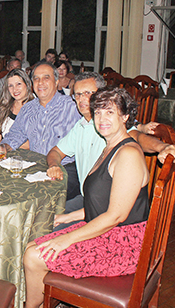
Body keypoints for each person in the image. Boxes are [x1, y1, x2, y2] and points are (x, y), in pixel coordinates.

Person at [23, 86, 150, 308]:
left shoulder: (128, 154)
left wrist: (67, 238)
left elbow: (115, 216)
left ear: (125, 116)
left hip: (122, 244)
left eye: (110, 112)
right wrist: (70, 216)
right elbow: (105, 201)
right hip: (108, 230)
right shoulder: (109, 147)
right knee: (32, 246)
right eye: (98, 112)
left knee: (34, 257)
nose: (102, 118)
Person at [46, 72, 175, 230]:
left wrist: (162, 147)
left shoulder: (111, 127)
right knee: (43, 218)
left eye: (88, 93)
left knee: (45, 230)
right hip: (89, 200)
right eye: (77, 94)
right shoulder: (83, 125)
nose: (82, 99)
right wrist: (53, 165)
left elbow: (137, 138)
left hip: (110, 214)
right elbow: (55, 151)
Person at [0, 62, 82, 193]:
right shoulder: (28, 109)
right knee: (2, 184)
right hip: (34, 166)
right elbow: (15, 134)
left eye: (46, 78)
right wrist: (4, 146)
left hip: (64, 167)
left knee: (39, 192)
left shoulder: (72, 107)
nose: (40, 83)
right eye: (36, 79)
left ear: (56, 82)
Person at [0, 69, 34, 149]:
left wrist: (5, 143)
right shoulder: (6, 105)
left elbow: (34, 143)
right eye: (10, 85)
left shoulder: (35, 107)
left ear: (27, 84)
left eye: (18, 84)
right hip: (5, 151)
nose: (15, 89)